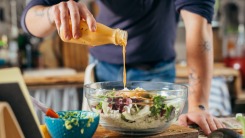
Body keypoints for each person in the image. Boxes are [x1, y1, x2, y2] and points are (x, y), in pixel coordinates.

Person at [21, 0, 225, 135]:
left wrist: (198, 105)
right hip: (100, 77)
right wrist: (52, 14)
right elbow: (31, 18)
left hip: (157, 74)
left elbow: (199, 24)